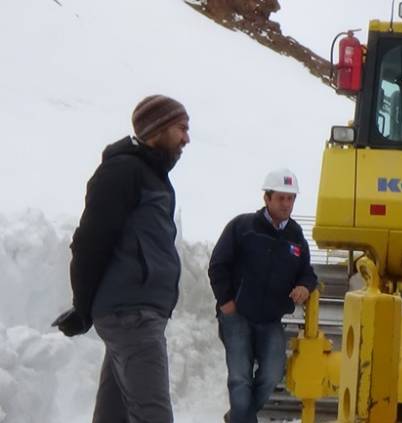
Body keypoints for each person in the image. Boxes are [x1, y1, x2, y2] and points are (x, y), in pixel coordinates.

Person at [59, 95, 189, 423]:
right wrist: (83, 305)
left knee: (113, 415)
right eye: (181, 128)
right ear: (158, 129)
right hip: (132, 315)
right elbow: (90, 240)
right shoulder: (123, 171)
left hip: (136, 312)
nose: (187, 138)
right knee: (153, 415)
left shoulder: (150, 175)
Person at [208, 168, 318, 423]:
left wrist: (305, 286)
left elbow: (307, 273)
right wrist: (226, 303)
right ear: (267, 198)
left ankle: (238, 417)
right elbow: (218, 265)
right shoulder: (243, 226)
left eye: (291, 198)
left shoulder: (295, 235)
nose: (286, 204)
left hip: (270, 319)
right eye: (281, 198)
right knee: (240, 378)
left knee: (271, 374)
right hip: (237, 315)